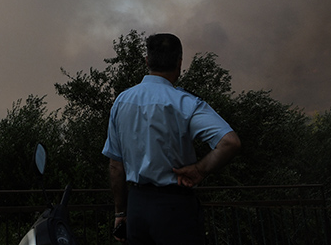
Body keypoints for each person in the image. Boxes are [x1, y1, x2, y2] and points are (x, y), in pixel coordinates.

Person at [102, 33, 242, 245]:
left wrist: (120, 212)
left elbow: (115, 166)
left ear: (147, 61)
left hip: (137, 207)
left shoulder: (122, 101)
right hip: (175, 207)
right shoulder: (186, 103)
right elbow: (230, 142)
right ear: (179, 63)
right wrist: (200, 169)